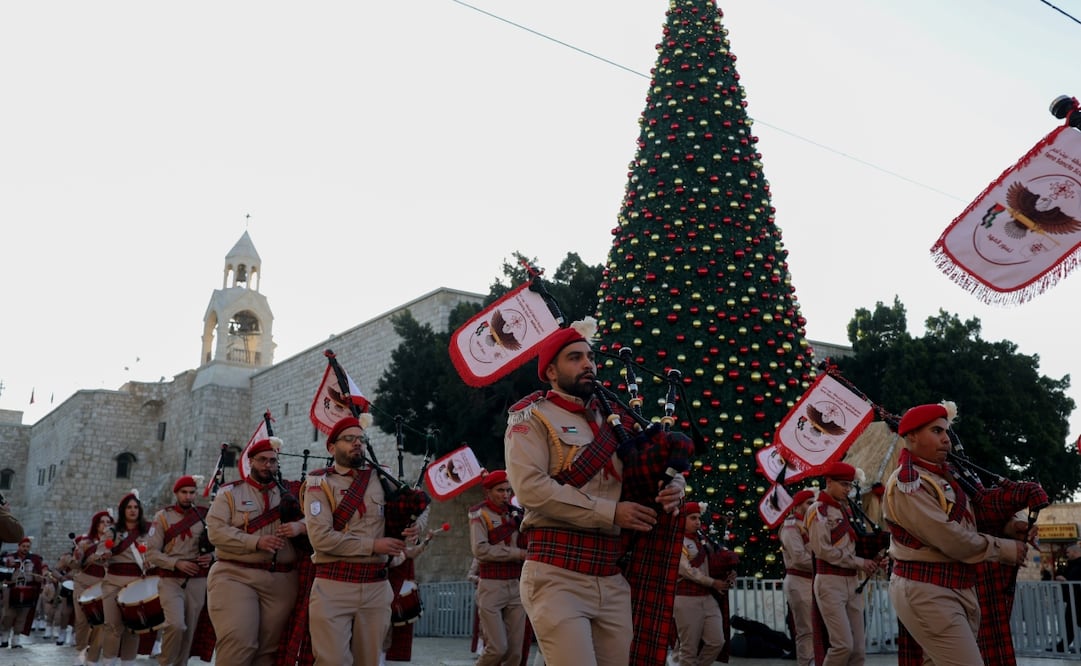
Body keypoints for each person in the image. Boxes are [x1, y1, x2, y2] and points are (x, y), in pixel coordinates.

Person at [504, 319, 685, 666]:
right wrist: (611, 512)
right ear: (551, 371)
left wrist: (674, 486)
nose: (588, 364)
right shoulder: (532, 417)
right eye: (575, 357)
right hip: (556, 574)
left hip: (612, 574)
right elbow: (530, 489)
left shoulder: (617, 419)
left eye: (590, 357)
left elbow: (658, 462)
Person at [883, 402, 1028, 664]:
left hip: (955, 585)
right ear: (912, 436)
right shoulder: (909, 482)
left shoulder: (947, 476)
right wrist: (1005, 549)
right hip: (928, 590)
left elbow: (970, 520)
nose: (946, 440)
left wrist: (1009, 527)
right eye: (936, 431)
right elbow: (950, 538)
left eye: (947, 432)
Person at [303, 415, 410, 666]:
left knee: (369, 661)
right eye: (349, 439)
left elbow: (414, 508)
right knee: (332, 661)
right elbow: (320, 538)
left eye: (360, 439)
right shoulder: (319, 482)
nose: (356, 444)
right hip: (333, 584)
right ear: (332, 447)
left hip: (375, 585)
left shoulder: (382, 478)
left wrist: (412, 526)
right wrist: (373, 545)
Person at [207, 436, 303, 666]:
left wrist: (301, 526)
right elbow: (216, 532)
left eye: (272, 461)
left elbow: (321, 519)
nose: (268, 465)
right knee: (239, 643)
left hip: (281, 580)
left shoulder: (291, 494)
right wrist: (255, 542)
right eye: (262, 460)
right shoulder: (230, 494)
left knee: (268, 652)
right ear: (250, 461)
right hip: (235, 574)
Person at [806, 461, 882, 666]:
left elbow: (853, 545)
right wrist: (859, 562)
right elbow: (822, 550)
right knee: (842, 645)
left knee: (858, 651)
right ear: (829, 482)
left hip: (852, 582)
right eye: (843, 484)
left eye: (850, 485)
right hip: (830, 582)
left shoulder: (847, 510)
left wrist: (872, 558)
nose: (848, 489)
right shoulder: (818, 510)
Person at [145, 475, 215, 666]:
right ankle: (166, 663)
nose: (188, 496)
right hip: (170, 579)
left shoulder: (205, 515)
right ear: (176, 493)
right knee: (176, 625)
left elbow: (220, 543)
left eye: (192, 492)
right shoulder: (163, 517)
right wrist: (177, 563)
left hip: (197, 580)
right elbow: (151, 553)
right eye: (184, 492)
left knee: (190, 630)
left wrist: (212, 556)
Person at [469, 469, 527, 666]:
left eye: (508, 490)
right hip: (491, 585)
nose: (506, 495)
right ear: (489, 491)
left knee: (515, 654)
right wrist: (517, 554)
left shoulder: (516, 514)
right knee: (497, 648)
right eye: (500, 490)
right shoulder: (479, 513)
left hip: (515, 585)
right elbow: (481, 550)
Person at [672, 501, 730, 666]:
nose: (697, 521)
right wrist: (713, 582)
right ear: (682, 519)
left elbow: (715, 563)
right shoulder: (676, 541)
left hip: (706, 596)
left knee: (717, 641)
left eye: (698, 518)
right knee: (688, 649)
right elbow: (686, 570)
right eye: (692, 518)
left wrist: (728, 571)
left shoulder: (703, 540)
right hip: (686, 598)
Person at [96, 492, 150, 666]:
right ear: (123, 510)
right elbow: (99, 552)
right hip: (113, 582)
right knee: (112, 626)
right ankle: (109, 662)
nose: (133, 510)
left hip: (136, 583)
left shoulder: (147, 532)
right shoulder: (112, 531)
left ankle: (128, 662)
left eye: (136, 507)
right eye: (129, 507)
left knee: (133, 629)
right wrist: (103, 555)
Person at [779, 488, 816, 666]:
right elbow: (799, 558)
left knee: (818, 630)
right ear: (798, 505)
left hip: (814, 580)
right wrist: (828, 563)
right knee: (806, 631)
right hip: (800, 580)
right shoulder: (791, 525)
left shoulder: (811, 524)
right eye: (809, 503)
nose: (813, 507)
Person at [74, 510, 114, 666]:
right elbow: (76, 564)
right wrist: (78, 555)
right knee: (81, 621)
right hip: (83, 583)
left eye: (108, 522)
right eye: (102, 522)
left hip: (104, 584)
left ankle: (93, 658)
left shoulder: (114, 543)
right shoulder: (86, 542)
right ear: (96, 524)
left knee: (101, 623)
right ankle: (80, 652)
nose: (105, 525)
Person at [0, 536, 44, 648]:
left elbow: (39, 577)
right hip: (11, 588)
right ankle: (5, 637)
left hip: (27, 590)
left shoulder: (34, 559)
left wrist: (36, 575)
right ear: (18, 546)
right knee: (8, 614)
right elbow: (3, 574)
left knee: (22, 615)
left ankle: (16, 639)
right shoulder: (9, 558)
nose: (25, 548)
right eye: (23, 546)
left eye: (27, 547)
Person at [1053, 542, 1081, 651]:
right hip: (1072, 599)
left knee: (1073, 622)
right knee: (1070, 623)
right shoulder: (1070, 564)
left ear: (1075, 552)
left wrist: (1066, 580)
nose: (1067, 554)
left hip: (1078, 598)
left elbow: (1074, 578)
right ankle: (1062, 647)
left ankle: (1062, 647)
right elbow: (1062, 574)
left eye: (1068, 552)